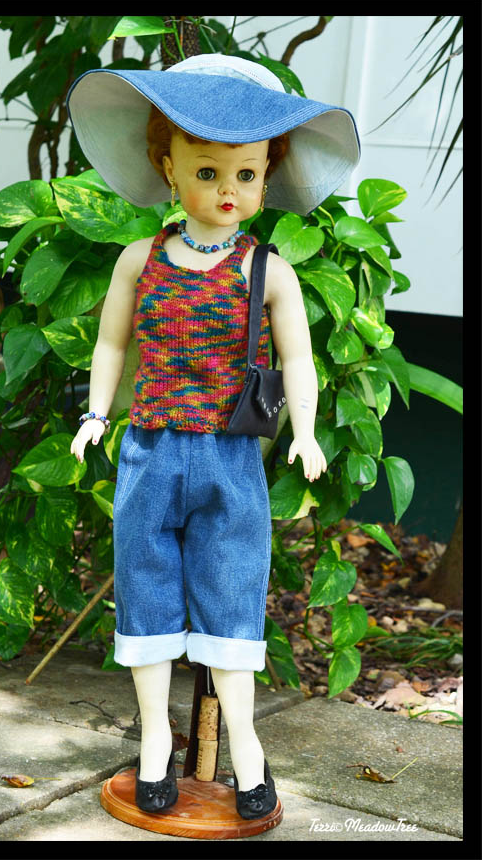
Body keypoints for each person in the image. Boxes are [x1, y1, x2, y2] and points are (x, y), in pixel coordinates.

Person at [67, 54, 360, 819]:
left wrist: (305, 430)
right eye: (207, 171)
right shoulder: (140, 261)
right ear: (167, 168)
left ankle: (247, 748)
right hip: (150, 450)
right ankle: (154, 744)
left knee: (232, 591)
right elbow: (111, 344)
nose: (228, 191)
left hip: (231, 458)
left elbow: (298, 359)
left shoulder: (269, 271)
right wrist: (96, 413)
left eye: (247, 174)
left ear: (267, 176)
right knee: (145, 587)